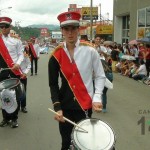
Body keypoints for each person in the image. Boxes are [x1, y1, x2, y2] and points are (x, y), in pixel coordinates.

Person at [48, 11, 106, 150]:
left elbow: (100, 75)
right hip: (65, 106)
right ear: (61, 31)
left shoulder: (90, 51)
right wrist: (57, 108)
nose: (70, 33)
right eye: (66, 29)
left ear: (78, 29)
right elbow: (53, 84)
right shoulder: (56, 55)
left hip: (84, 105)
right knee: (66, 142)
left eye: (73, 28)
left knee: (85, 143)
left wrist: (97, 98)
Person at [0, 17, 24, 128]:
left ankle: (14, 118)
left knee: (15, 95)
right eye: (1, 27)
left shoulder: (16, 40)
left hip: (14, 70)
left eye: (5, 26)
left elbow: (21, 54)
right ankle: (5, 117)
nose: (3, 29)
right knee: (3, 95)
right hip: (2, 72)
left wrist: (18, 63)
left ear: (10, 27)